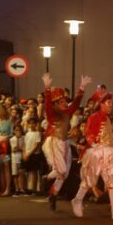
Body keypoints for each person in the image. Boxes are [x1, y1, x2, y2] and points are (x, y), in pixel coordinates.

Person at [71, 90, 113, 220]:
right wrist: (93, 144)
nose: (111, 105)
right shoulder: (94, 116)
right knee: (89, 180)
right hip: (97, 151)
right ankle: (77, 200)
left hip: (108, 152)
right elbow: (89, 133)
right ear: (101, 104)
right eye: (108, 102)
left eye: (111, 102)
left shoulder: (107, 118)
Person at [41, 71, 91, 210]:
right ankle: (46, 178)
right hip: (53, 142)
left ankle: (53, 194)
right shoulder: (52, 113)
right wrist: (47, 89)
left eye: (65, 101)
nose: (65, 103)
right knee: (61, 170)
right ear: (56, 103)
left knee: (65, 173)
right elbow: (47, 105)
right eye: (62, 101)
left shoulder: (68, 112)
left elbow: (76, 103)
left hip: (65, 143)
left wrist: (81, 88)